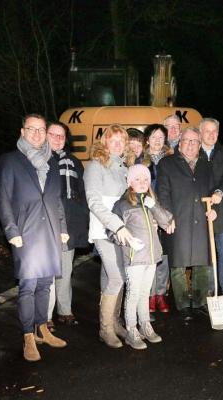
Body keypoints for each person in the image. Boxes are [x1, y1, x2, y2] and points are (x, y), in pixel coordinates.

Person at [0, 113, 69, 362]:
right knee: (28, 285)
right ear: (22, 131)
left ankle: (42, 329)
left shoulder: (53, 161)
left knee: (46, 283)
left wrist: (62, 227)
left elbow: (56, 199)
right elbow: (2, 199)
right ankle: (28, 335)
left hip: (49, 230)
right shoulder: (10, 160)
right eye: (32, 129)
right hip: (25, 232)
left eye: (41, 129)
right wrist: (11, 231)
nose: (37, 134)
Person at [156, 127, 218, 321]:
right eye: (187, 141)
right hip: (178, 219)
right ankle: (183, 305)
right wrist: (167, 218)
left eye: (195, 141)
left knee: (202, 263)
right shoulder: (167, 163)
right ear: (180, 143)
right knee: (178, 264)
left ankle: (200, 302)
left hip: (201, 219)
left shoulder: (206, 165)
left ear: (200, 145)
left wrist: (214, 207)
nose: (191, 145)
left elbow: (213, 189)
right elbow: (163, 193)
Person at [110, 164, 173, 349]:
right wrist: (127, 242)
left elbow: (166, 221)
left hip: (152, 256)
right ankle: (131, 330)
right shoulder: (122, 204)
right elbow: (111, 230)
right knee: (134, 293)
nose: (142, 182)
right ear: (130, 182)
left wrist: (154, 206)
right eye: (137, 179)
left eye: (145, 179)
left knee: (145, 293)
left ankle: (145, 325)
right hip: (134, 258)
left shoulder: (150, 200)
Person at [84, 124, 133, 348]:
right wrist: (116, 225)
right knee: (116, 277)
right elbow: (94, 202)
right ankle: (105, 329)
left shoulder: (125, 168)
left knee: (120, 274)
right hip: (105, 230)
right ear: (105, 142)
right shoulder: (96, 166)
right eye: (113, 140)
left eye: (121, 141)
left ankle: (115, 321)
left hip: (123, 230)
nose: (117, 144)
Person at [46, 122, 89, 328]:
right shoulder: (39, 160)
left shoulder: (74, 162)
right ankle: (44, 316)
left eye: (61, 136)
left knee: (64, 269)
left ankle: (64, 311)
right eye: (53, 134)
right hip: (45, 224)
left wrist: (82, 222)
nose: (57, 139)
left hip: (69, 225)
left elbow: (82, 193)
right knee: (46, 272)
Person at [199, 118, 223, 306]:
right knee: (206, 253)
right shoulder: (193, 152)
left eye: (215, 131)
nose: (211, 135)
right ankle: (209, 291)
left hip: (222, 208)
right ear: (200, 133)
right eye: (207, 131)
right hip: (201, 210)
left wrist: (219, 192)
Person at [143, 124, 173, 314]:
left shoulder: (172, 160)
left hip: (167, 212)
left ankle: (160, 294)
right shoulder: (141, 160)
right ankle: (149, 295)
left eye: (161, 137)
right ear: (147, 139)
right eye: (153, 136)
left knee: (164, 256)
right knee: (151, 257)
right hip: (147, 213)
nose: (157, 140)